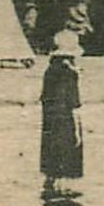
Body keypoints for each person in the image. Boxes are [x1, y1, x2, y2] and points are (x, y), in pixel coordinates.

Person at [40, 30, 84, 197]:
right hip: (65, 121)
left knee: (51, 166)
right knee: (66, 161)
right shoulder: (69, 73)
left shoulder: (50, 70)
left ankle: (51, 186)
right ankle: (62, 191)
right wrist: (77, 130)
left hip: (50, 122)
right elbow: (73, 103)